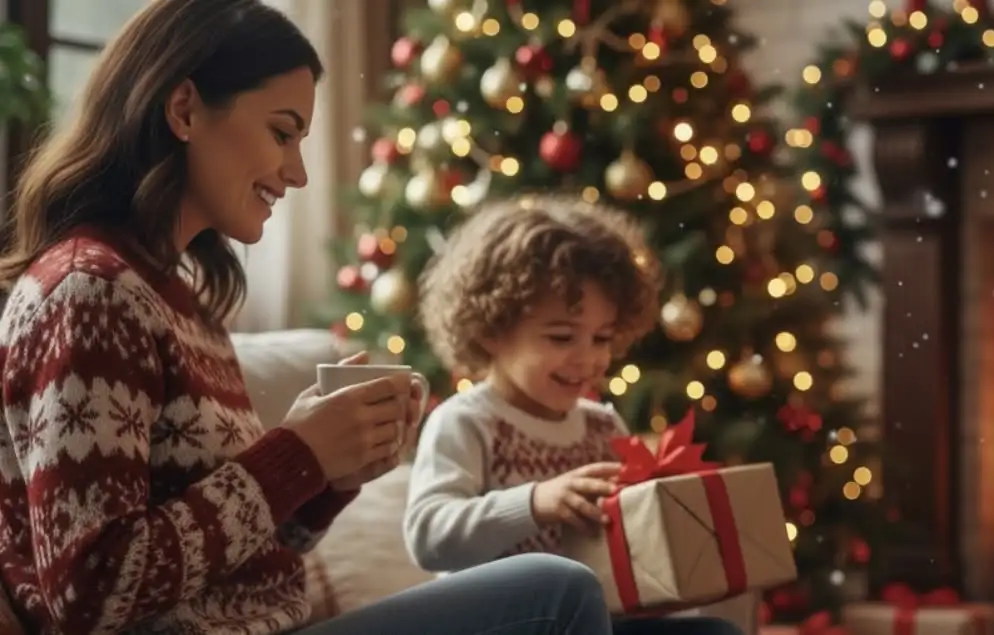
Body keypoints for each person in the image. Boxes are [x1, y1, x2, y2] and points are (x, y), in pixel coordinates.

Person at [0, 1, 614, 634]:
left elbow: (244, 561)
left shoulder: (181, 303)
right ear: (184, 109)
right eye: (282, 133)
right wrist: (294, 455)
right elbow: (90, 592)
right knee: (555, 590)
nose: (296, 173)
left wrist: (327, 476)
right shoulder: (89, 292)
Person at [406, 196, 747, 635]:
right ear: (491, 329)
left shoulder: (602, 426)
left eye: (602, 338)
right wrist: (534, 504)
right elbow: (428, 536)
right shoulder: (467, 422)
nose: (588, 359)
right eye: (562, 337)